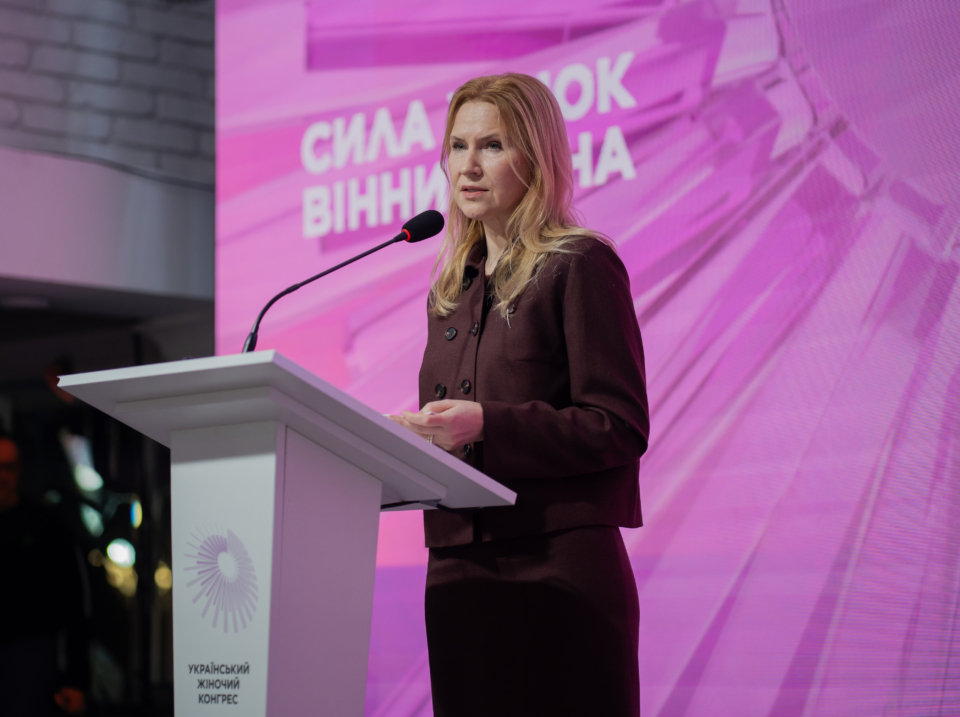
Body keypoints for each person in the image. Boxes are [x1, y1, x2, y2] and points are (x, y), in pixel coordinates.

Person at [389, 74, 649, 716]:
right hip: (459, 573)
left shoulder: (578, 265)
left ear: (534, 157)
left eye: (492, 145)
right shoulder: (450, 289)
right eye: (457, 146)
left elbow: (619, 425)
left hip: (558, 567)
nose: (468, 166)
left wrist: (488, 423)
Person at [0, 434, 90, 716]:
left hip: (29, 659)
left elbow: (75, 603)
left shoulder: (46, 525)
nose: (1, 476)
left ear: (20, 469)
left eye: (8, 467)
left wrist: (76, 678)